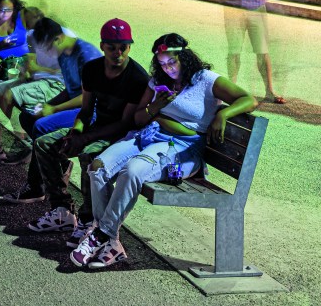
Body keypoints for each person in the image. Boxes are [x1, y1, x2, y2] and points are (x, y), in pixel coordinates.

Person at [70, 33, 257, 268]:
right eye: (162, 63)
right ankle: (111, 242)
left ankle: (101, 234)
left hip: (182, 150)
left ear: (185, 58)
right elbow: (138, 118)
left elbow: (248, 99)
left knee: (132, 171)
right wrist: (156, 107)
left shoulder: (206, 80)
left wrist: (223, 114)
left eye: (172, 62)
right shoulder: (158, 81)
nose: (167, 68)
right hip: (147, 136)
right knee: (97, 167)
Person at [12, 19, 150, 253]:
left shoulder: (137, 77)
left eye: (123, 47)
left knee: (89, 154)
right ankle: (62, 210)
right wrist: (75, 132)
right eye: (112, 47)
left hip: (120, 136)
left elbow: (124, 124)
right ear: (103, 45)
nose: (118, 52)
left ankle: (88, 220)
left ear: (130, 46)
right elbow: (86, 111)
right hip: (95, 126)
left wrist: (84, 139)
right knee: (45, 144)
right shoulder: (93, 69)